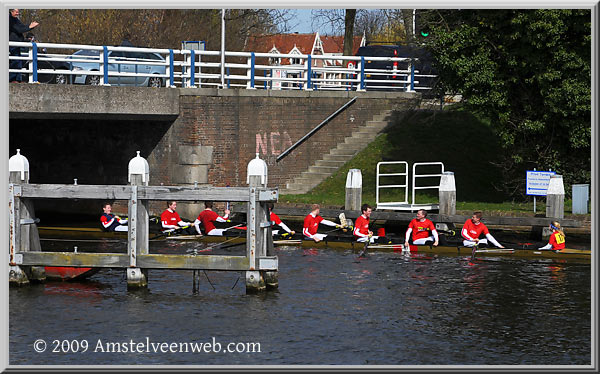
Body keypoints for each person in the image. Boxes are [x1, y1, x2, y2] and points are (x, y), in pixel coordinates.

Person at [9, 9, 39, 82]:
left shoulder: (15, 19)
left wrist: (29, 26)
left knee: (18, 61)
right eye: (16, 12)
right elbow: (19, 29)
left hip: (16, 43)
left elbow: (21, 26)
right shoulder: (9, 19)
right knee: (15, 61)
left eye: (18, 12)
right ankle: (11, 79)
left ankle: (18, 79)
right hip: (12, 43)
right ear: (11, 11)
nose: (17, 13)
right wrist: (30, 27)